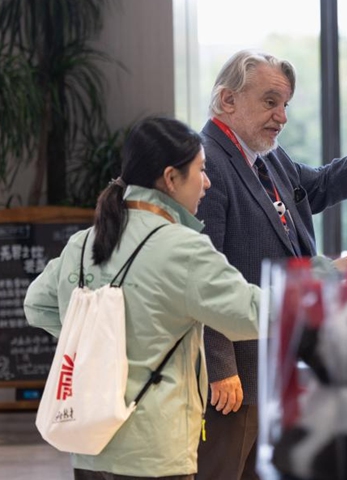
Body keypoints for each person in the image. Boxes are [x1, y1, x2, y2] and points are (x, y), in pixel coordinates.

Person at [194, 50, 347, 480]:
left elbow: (318, 185)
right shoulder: (208, 164)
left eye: (285, 105)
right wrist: (220, 366)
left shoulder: (267, 157)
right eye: (270, 102)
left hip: (274, 356)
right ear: (227, 100)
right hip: (236, 372)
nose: (281, 117)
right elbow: (203, 272)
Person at [24, 116, 263, 479]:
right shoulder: (182, 247)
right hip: (153, 449)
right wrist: (319, 283)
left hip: (89, 443)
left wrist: (101, 340)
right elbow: (249, 313)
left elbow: (36, 305)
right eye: (200, 170)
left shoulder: (84, 241)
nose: (207, 182)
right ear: (170, 178)